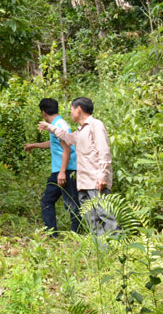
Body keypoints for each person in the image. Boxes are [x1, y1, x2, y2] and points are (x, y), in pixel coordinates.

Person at [38, 97, 118, 236]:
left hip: (96, 181)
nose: (70, 113)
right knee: (91, 218)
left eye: (71, 110)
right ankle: (101, 249)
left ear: (78, 110)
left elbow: (104, 152)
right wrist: (48, 127)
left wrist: (103, 176)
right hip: (83, 182)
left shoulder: (96, 125)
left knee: (105, 215)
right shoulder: (81, 130)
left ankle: (116, 247)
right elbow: (68, 138)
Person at [24, 98, 81, 236]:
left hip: (66, 169)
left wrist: (62, 173)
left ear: (43, 113)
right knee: (47, 200)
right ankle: (51, 234)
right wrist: (34, 145)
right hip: (59, 170)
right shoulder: (56, 124)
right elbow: (54, 143)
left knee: (72, 204)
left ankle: (77, 235)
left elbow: (66, 149)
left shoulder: (59, 125)